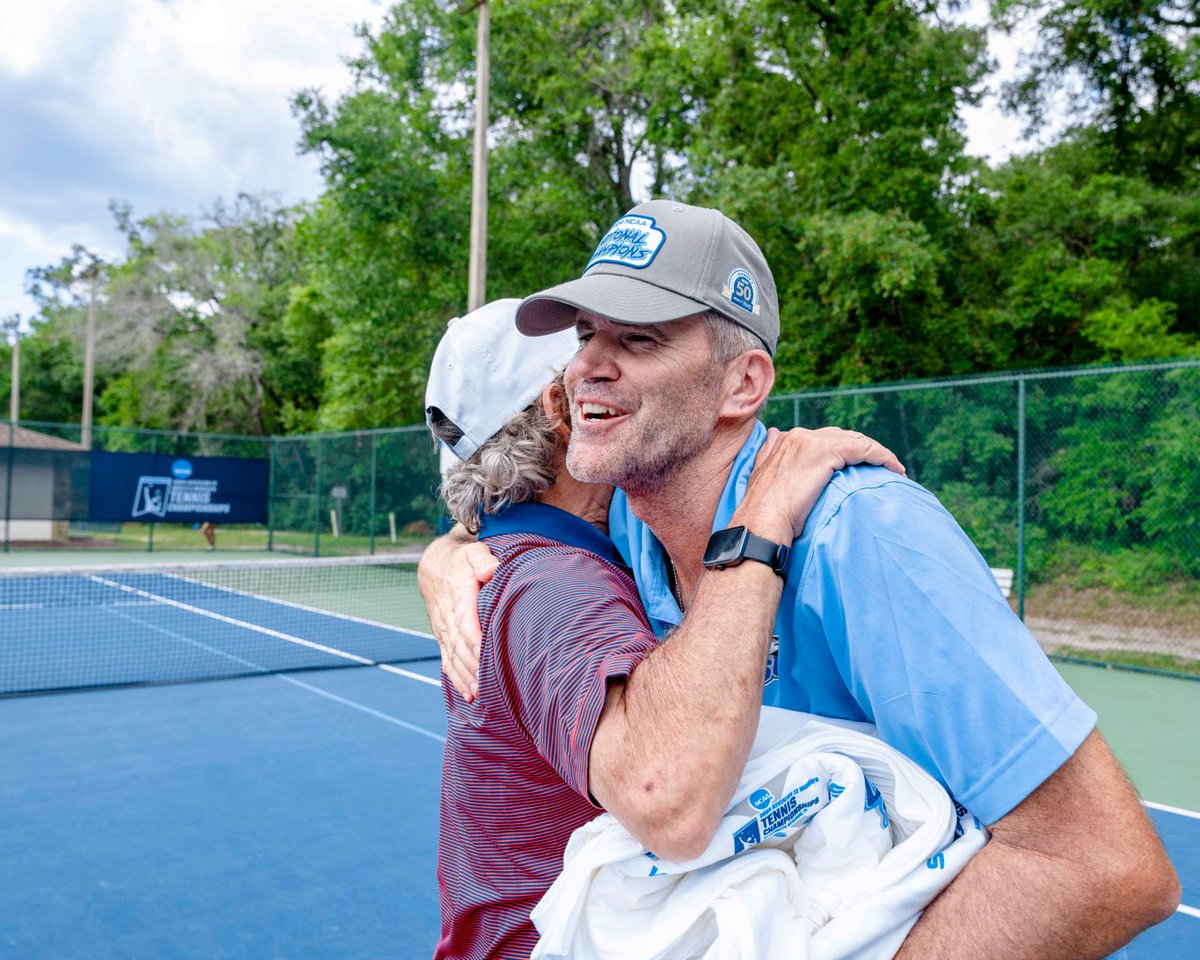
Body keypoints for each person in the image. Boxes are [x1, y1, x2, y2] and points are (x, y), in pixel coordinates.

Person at [420, 200, 1180, 959]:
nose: (588, 365)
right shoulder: (630, 526)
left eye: (640, 338)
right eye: (587, 334)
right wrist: (452, 554)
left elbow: (1107, 867)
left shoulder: (866, 533)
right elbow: (529, 517)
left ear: (742, 384)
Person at [423, 298, 906, 959]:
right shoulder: (553, 586)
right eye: (588, 356)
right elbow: (665, 797)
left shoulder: (513, 559)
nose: (606, 372)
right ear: (563, 409)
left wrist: (443, 551)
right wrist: (763, 515)